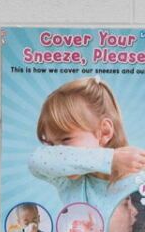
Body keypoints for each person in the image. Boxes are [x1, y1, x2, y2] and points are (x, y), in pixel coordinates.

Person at [29, 76, 145, 205]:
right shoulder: (67, 181)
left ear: (104, 132)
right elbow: (36, 161)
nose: (58, 149)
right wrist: (110, 159)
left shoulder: (138, 180)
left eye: (65, 139)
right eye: (51, 144)